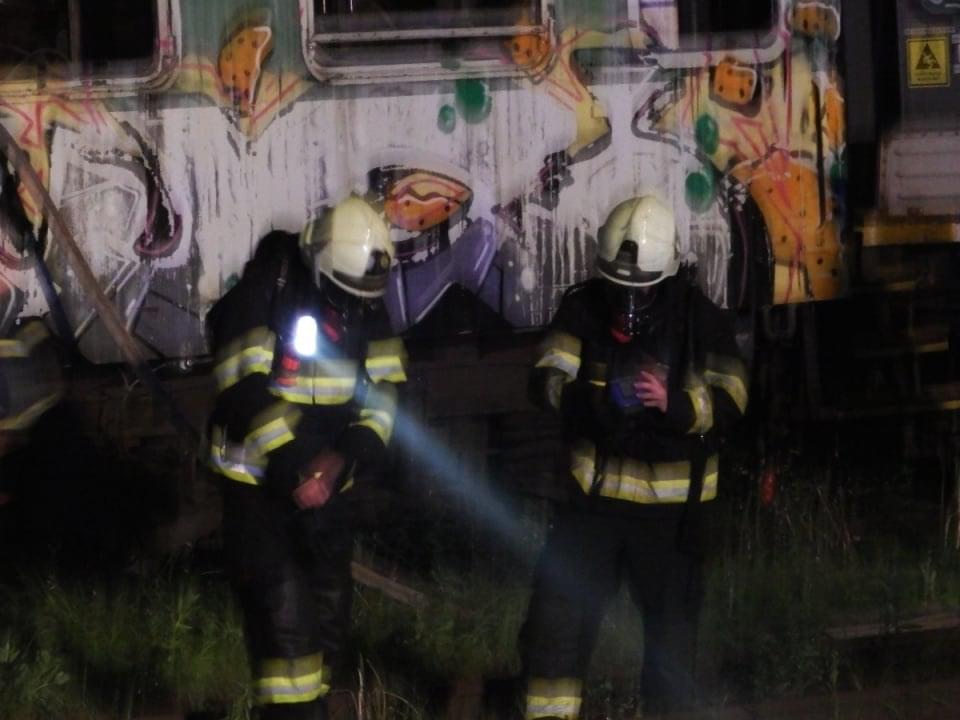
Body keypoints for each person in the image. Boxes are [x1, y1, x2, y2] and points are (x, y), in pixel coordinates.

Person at [519, 195, 748, 718]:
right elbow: (545, 377)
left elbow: (734, 396)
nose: (626, 297)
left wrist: (677, 405)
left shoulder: (700, 320)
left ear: (666, 273)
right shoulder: (583, 309)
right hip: (593, 508)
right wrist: (591, 400)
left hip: (671, 518)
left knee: (671, 645)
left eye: (638, 287)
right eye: (617, 284)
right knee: (556, 626)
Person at [205, 196, 407, 720]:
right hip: (259, 493)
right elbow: (242, 391)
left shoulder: (362, 294)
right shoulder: (266, 292)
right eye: (345, 295)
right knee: (286, 630)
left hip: (326, 494)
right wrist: (300, 465)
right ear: (319, 266)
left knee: (327, 631)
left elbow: (387, 393)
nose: (355, 308)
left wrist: (346, 457)